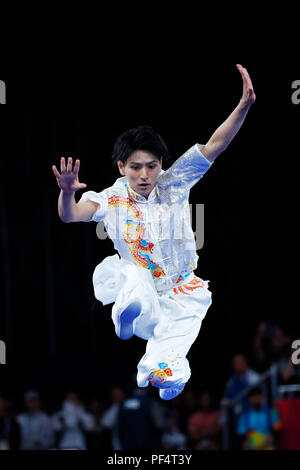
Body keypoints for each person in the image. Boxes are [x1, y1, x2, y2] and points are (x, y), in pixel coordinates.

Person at [52, 64, 256, 401]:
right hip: (140, 281)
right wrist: (66, 191)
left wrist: (243, 105)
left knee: (168, 362)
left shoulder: (174, 181)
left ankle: (167, 375)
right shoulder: (111, 197)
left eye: (151, 165)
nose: (145, 174)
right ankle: (124, 316)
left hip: (182, 289)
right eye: (135, 167)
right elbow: (71, 215)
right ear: (121, 167)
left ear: (162, 163)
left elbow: (215, 145)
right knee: (134, 283)